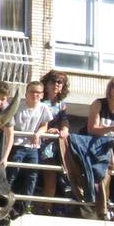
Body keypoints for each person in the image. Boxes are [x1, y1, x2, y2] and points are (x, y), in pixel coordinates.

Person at [65, 76, 114, 221]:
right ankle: (94, 205)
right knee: (99, 171)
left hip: (113, 145)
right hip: (93, 145)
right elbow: (92, 129)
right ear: (110, 88)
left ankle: (112, 207)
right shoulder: (99, 103)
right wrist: (113, 128)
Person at [5, 80, 54, 218]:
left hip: (33, 147)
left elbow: (45, 125)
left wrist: (38, 133)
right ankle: (5, 203)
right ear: (26, 93)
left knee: (32, 175)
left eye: (38, 93)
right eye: (33, 92)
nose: (35, 95)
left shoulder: (44, 108)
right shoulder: (18, 106)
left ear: (42, 94)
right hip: (17, 145)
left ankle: (25, 206)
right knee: (12, 174)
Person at [38, 70, 71, 211]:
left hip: (54, 146)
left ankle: (48, 209)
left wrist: (64, 130)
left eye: (60, 82)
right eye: (54, 81)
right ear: (47, 83)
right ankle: (37, 207)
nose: (57, 85)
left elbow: (64, 121)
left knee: (54, 179)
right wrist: (46, 130)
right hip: (39, 143)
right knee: (36, 176)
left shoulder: (61, 105)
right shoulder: (39, 100)